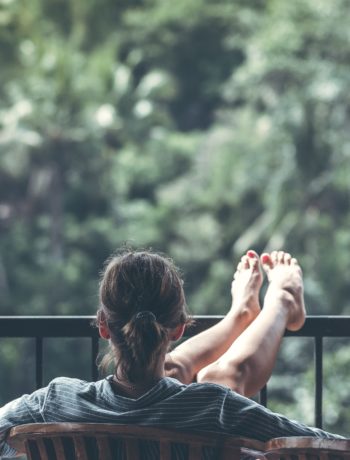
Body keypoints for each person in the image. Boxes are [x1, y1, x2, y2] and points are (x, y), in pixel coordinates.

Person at [0, 249, 344, 458]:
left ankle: (246, 311)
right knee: (216, 379)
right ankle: (275, 301)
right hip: (197, 404)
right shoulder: (216, 408)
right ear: (179, 328)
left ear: (103, 326)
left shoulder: (56, 403)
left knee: (192, 376)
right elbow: (323, 448)